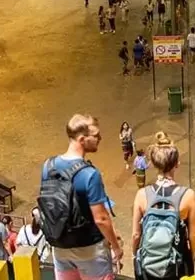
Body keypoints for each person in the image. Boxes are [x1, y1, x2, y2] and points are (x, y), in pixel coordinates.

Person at [38, 114, 123, 280]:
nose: (100, 138)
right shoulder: (90, 174)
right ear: (82, 139)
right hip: (89, 249)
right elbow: (101, 219)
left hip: (60, 245)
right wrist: (116, 246)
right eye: (96, 135)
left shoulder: (48, 166)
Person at [131, 132, 195, 280]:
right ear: (177, 164)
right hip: (176, 264)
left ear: (154, 164)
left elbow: (136, 234)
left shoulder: (142, 194)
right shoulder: (188, 195)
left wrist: (134, 255)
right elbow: (193, 235)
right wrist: (192, 257)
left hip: (148, 264)